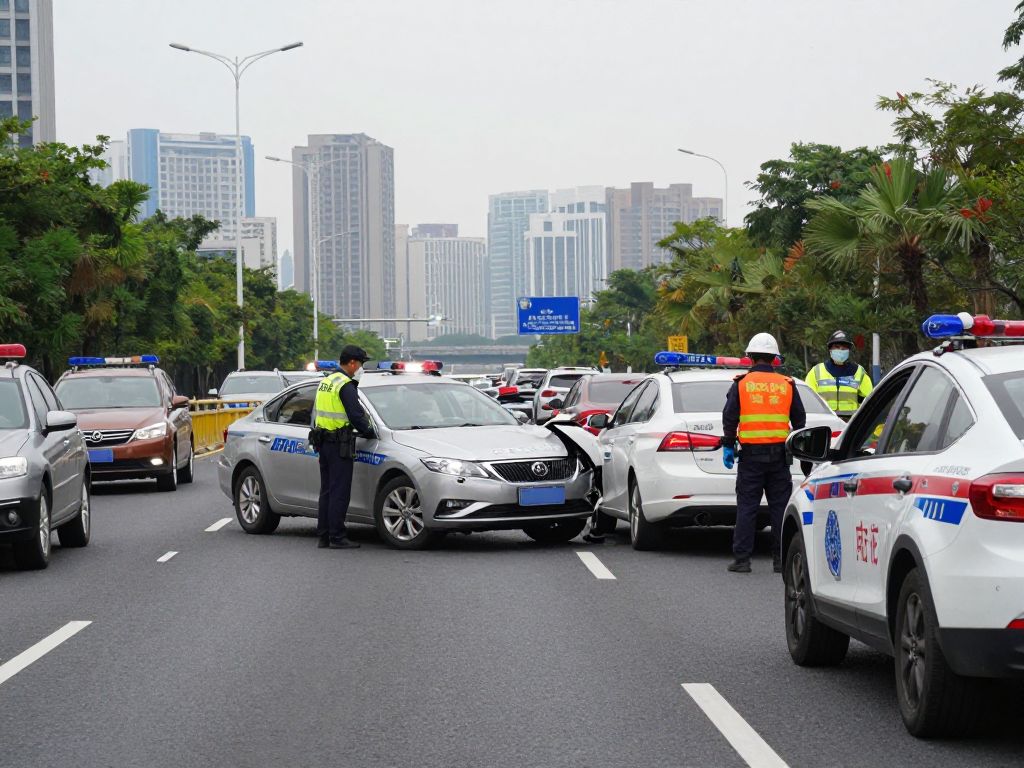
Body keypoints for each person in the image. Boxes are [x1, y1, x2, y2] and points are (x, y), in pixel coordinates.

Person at [721, 333, 806, 574]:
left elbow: (729, 417)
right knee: (779, 509)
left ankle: (742, 560)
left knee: (747, 507)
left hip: (750, 457)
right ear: (775, 359)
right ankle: (780, 561)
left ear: (749, 357)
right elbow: (800, 420)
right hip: (780, 457)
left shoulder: (741, 383)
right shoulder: (787, 385)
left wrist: (728, 445)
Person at [311, 345, 376, 550]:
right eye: (361, 364)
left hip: (324, 443)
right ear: (352, 363)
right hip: (340, 445)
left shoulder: (327, 382)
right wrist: (369, 432)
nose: (361, 368)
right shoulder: (345, 385)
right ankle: (337, 536)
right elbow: (356, 415)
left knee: (327, 491)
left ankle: (324, 536)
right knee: (340, 492)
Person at [805, 330, 873, 420]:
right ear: (830, 349)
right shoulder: (816, 372)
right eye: (837, 347)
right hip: (824, 423)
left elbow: (870, 400)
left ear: (849, 350)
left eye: (844, 348)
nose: (840, 351)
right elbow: (807, 400)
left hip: (850, 424)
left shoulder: (859, 372)